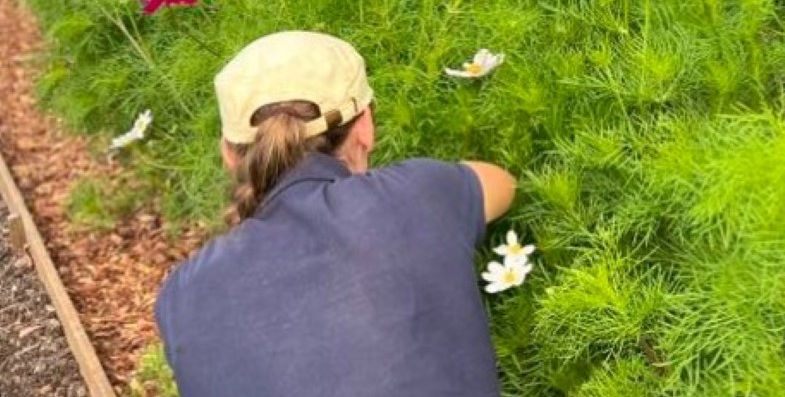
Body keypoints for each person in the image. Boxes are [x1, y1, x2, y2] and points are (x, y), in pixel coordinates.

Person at [154, 31, 517, 397]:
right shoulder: (418, 193)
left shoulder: (183, 295)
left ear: (229, 156)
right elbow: (501, 184)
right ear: (365, 127)